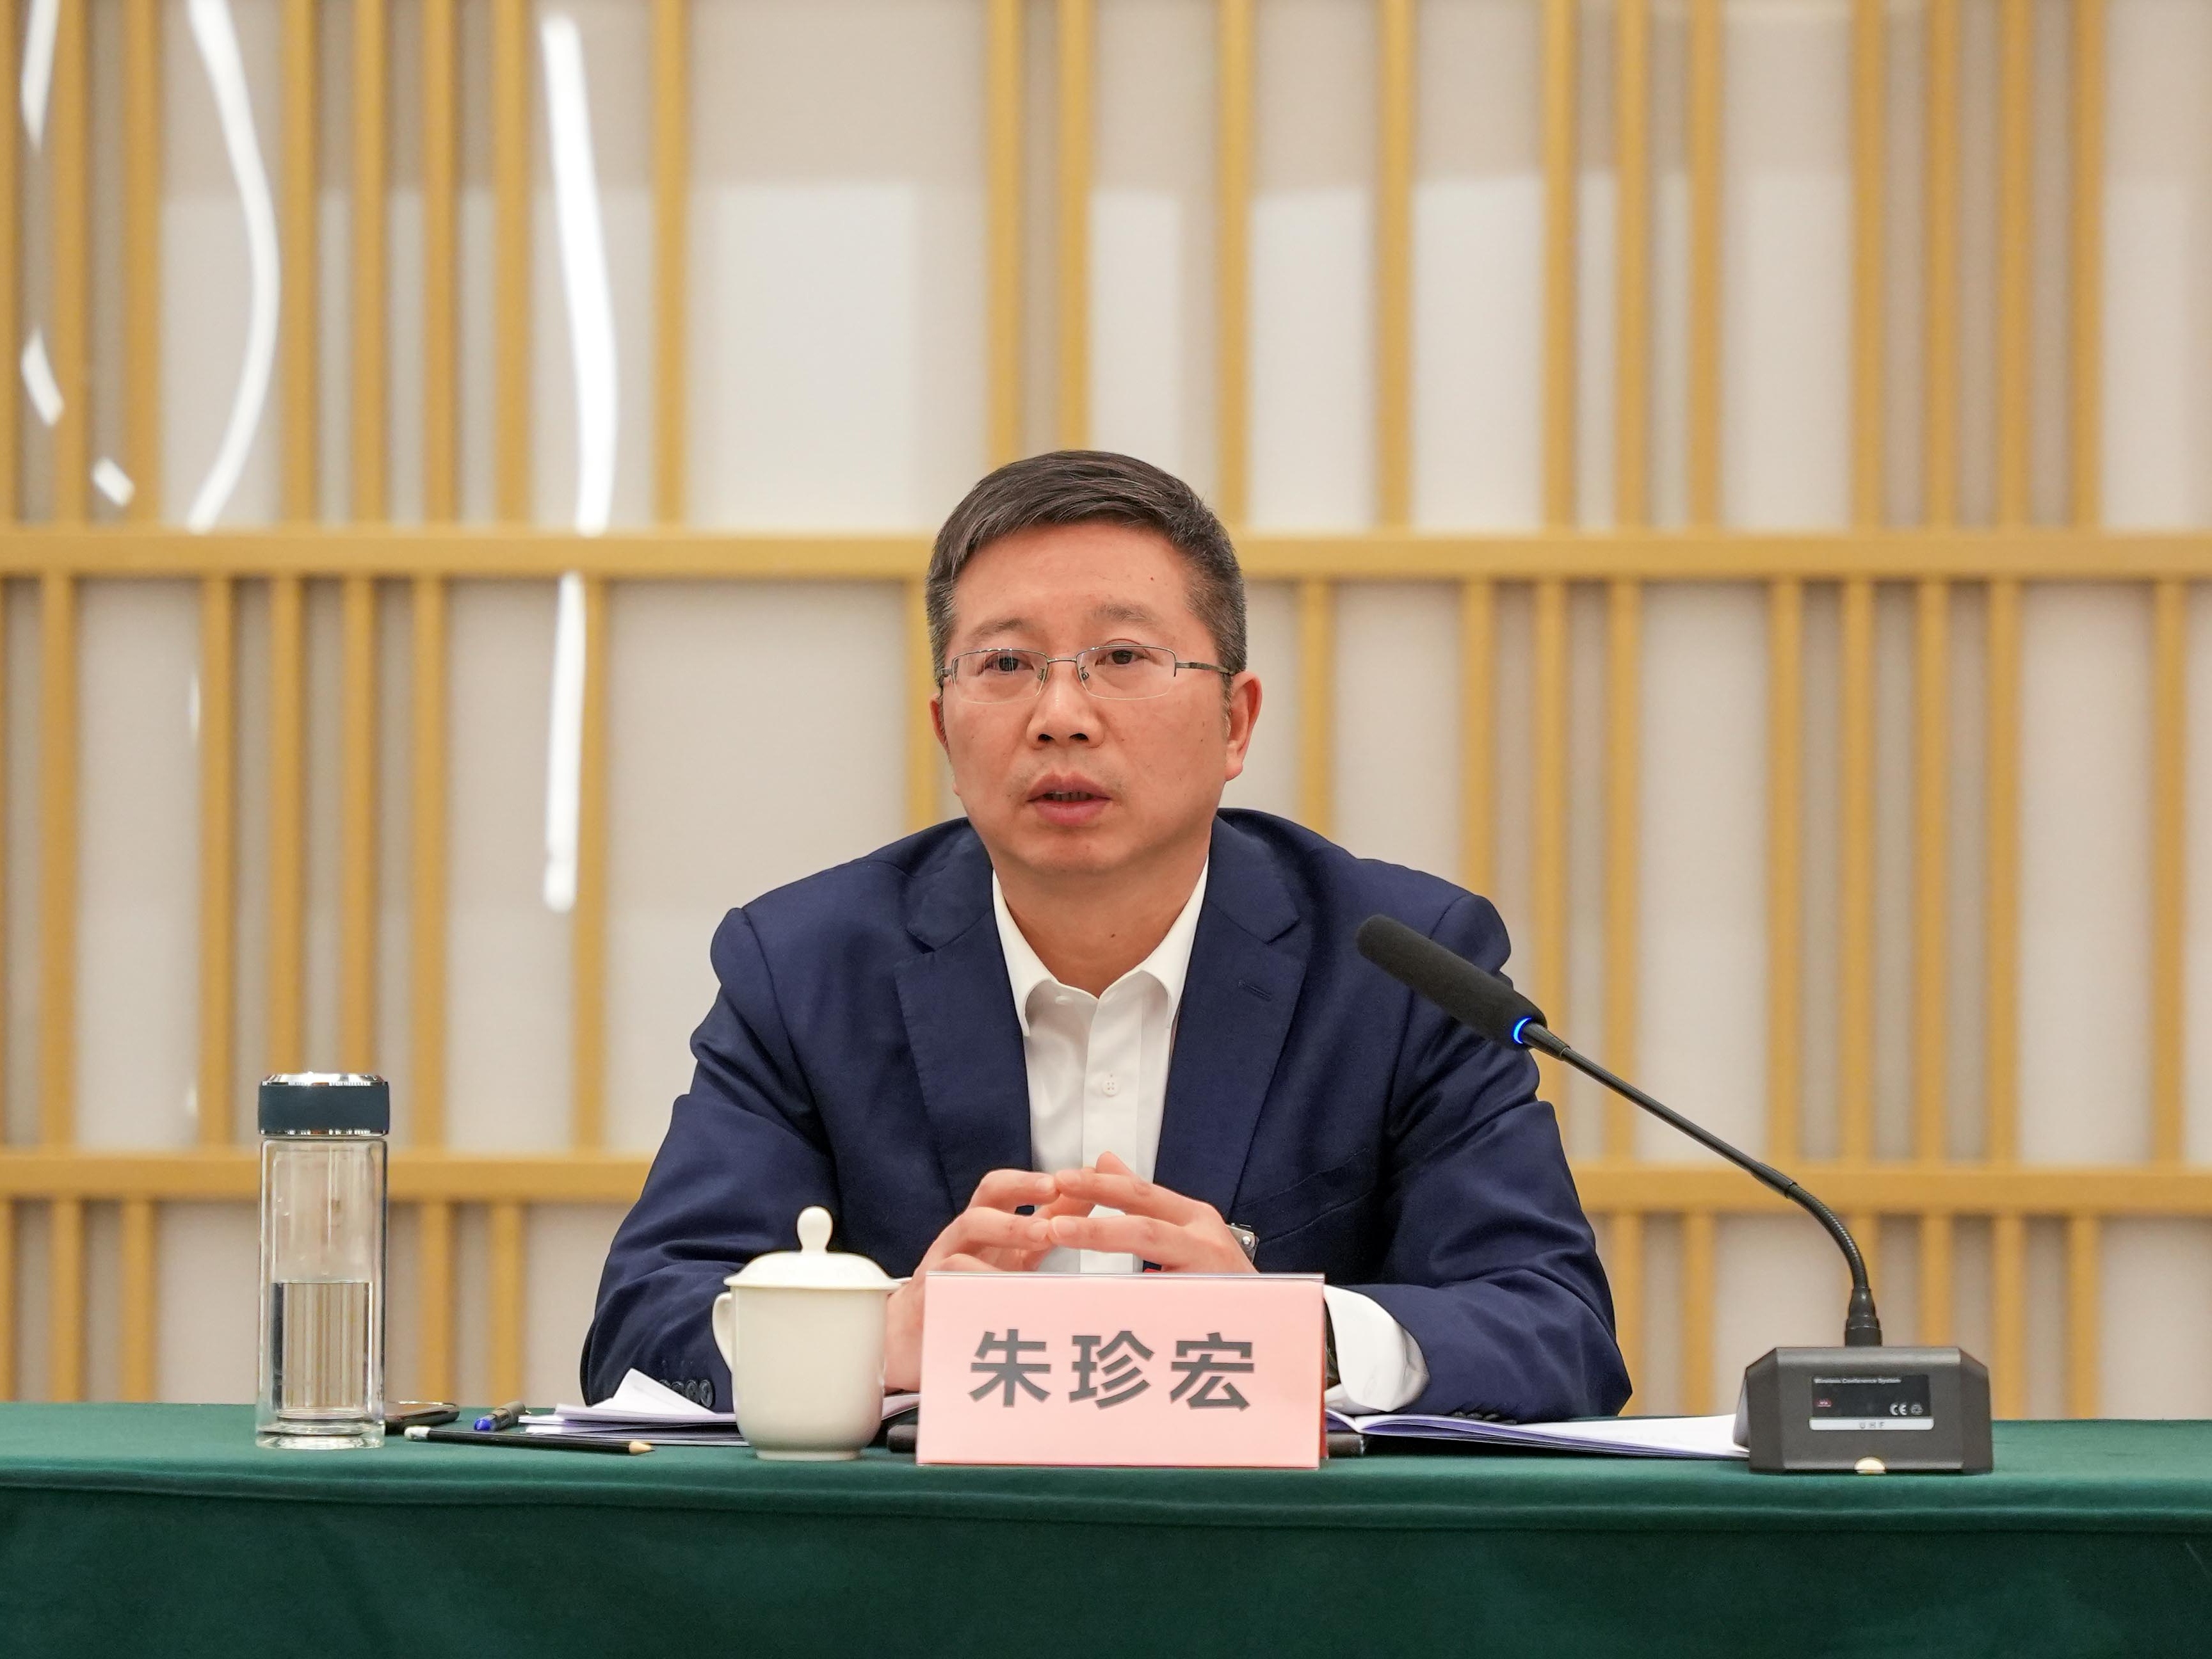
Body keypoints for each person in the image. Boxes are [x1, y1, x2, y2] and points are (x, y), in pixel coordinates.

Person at [583, 451, 1630, 1420]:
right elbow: (642, 1328)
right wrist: (871, 1341)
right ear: (946, 730)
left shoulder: (1402, 969)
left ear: (1235, 722)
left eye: (1122, 656)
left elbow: (1555, 1332)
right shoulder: (808, 969)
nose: (1060, 715)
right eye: (1005, 664)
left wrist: (1293, 1334)